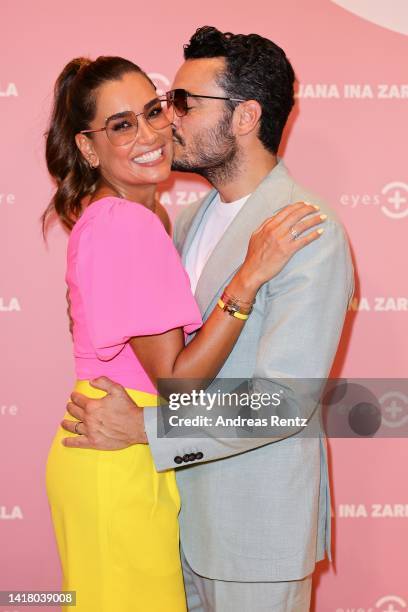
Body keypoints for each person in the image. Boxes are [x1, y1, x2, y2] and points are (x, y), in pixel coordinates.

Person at [44, 54, 326, 612]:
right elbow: (175, 379)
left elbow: (287, 398)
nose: (152, 132)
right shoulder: (126, 223)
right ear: (87, 146)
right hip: (116, 454)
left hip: (130, 452)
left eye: (156, 110)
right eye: (121, 125)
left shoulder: (147, 219)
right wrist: (246, 278)